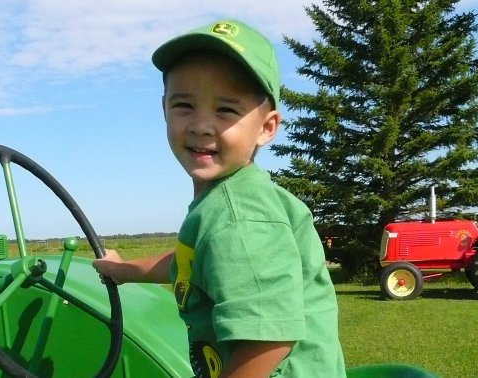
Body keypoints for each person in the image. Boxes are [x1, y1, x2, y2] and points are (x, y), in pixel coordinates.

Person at [93, 19, 346, 377]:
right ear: (164, 108)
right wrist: (122, 270)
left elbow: (268, 339)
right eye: (184, 105)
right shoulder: (225, 204)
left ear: (266, 127)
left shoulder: (239, 216)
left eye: (225, 109)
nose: (201, 125)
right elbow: (191, 262)